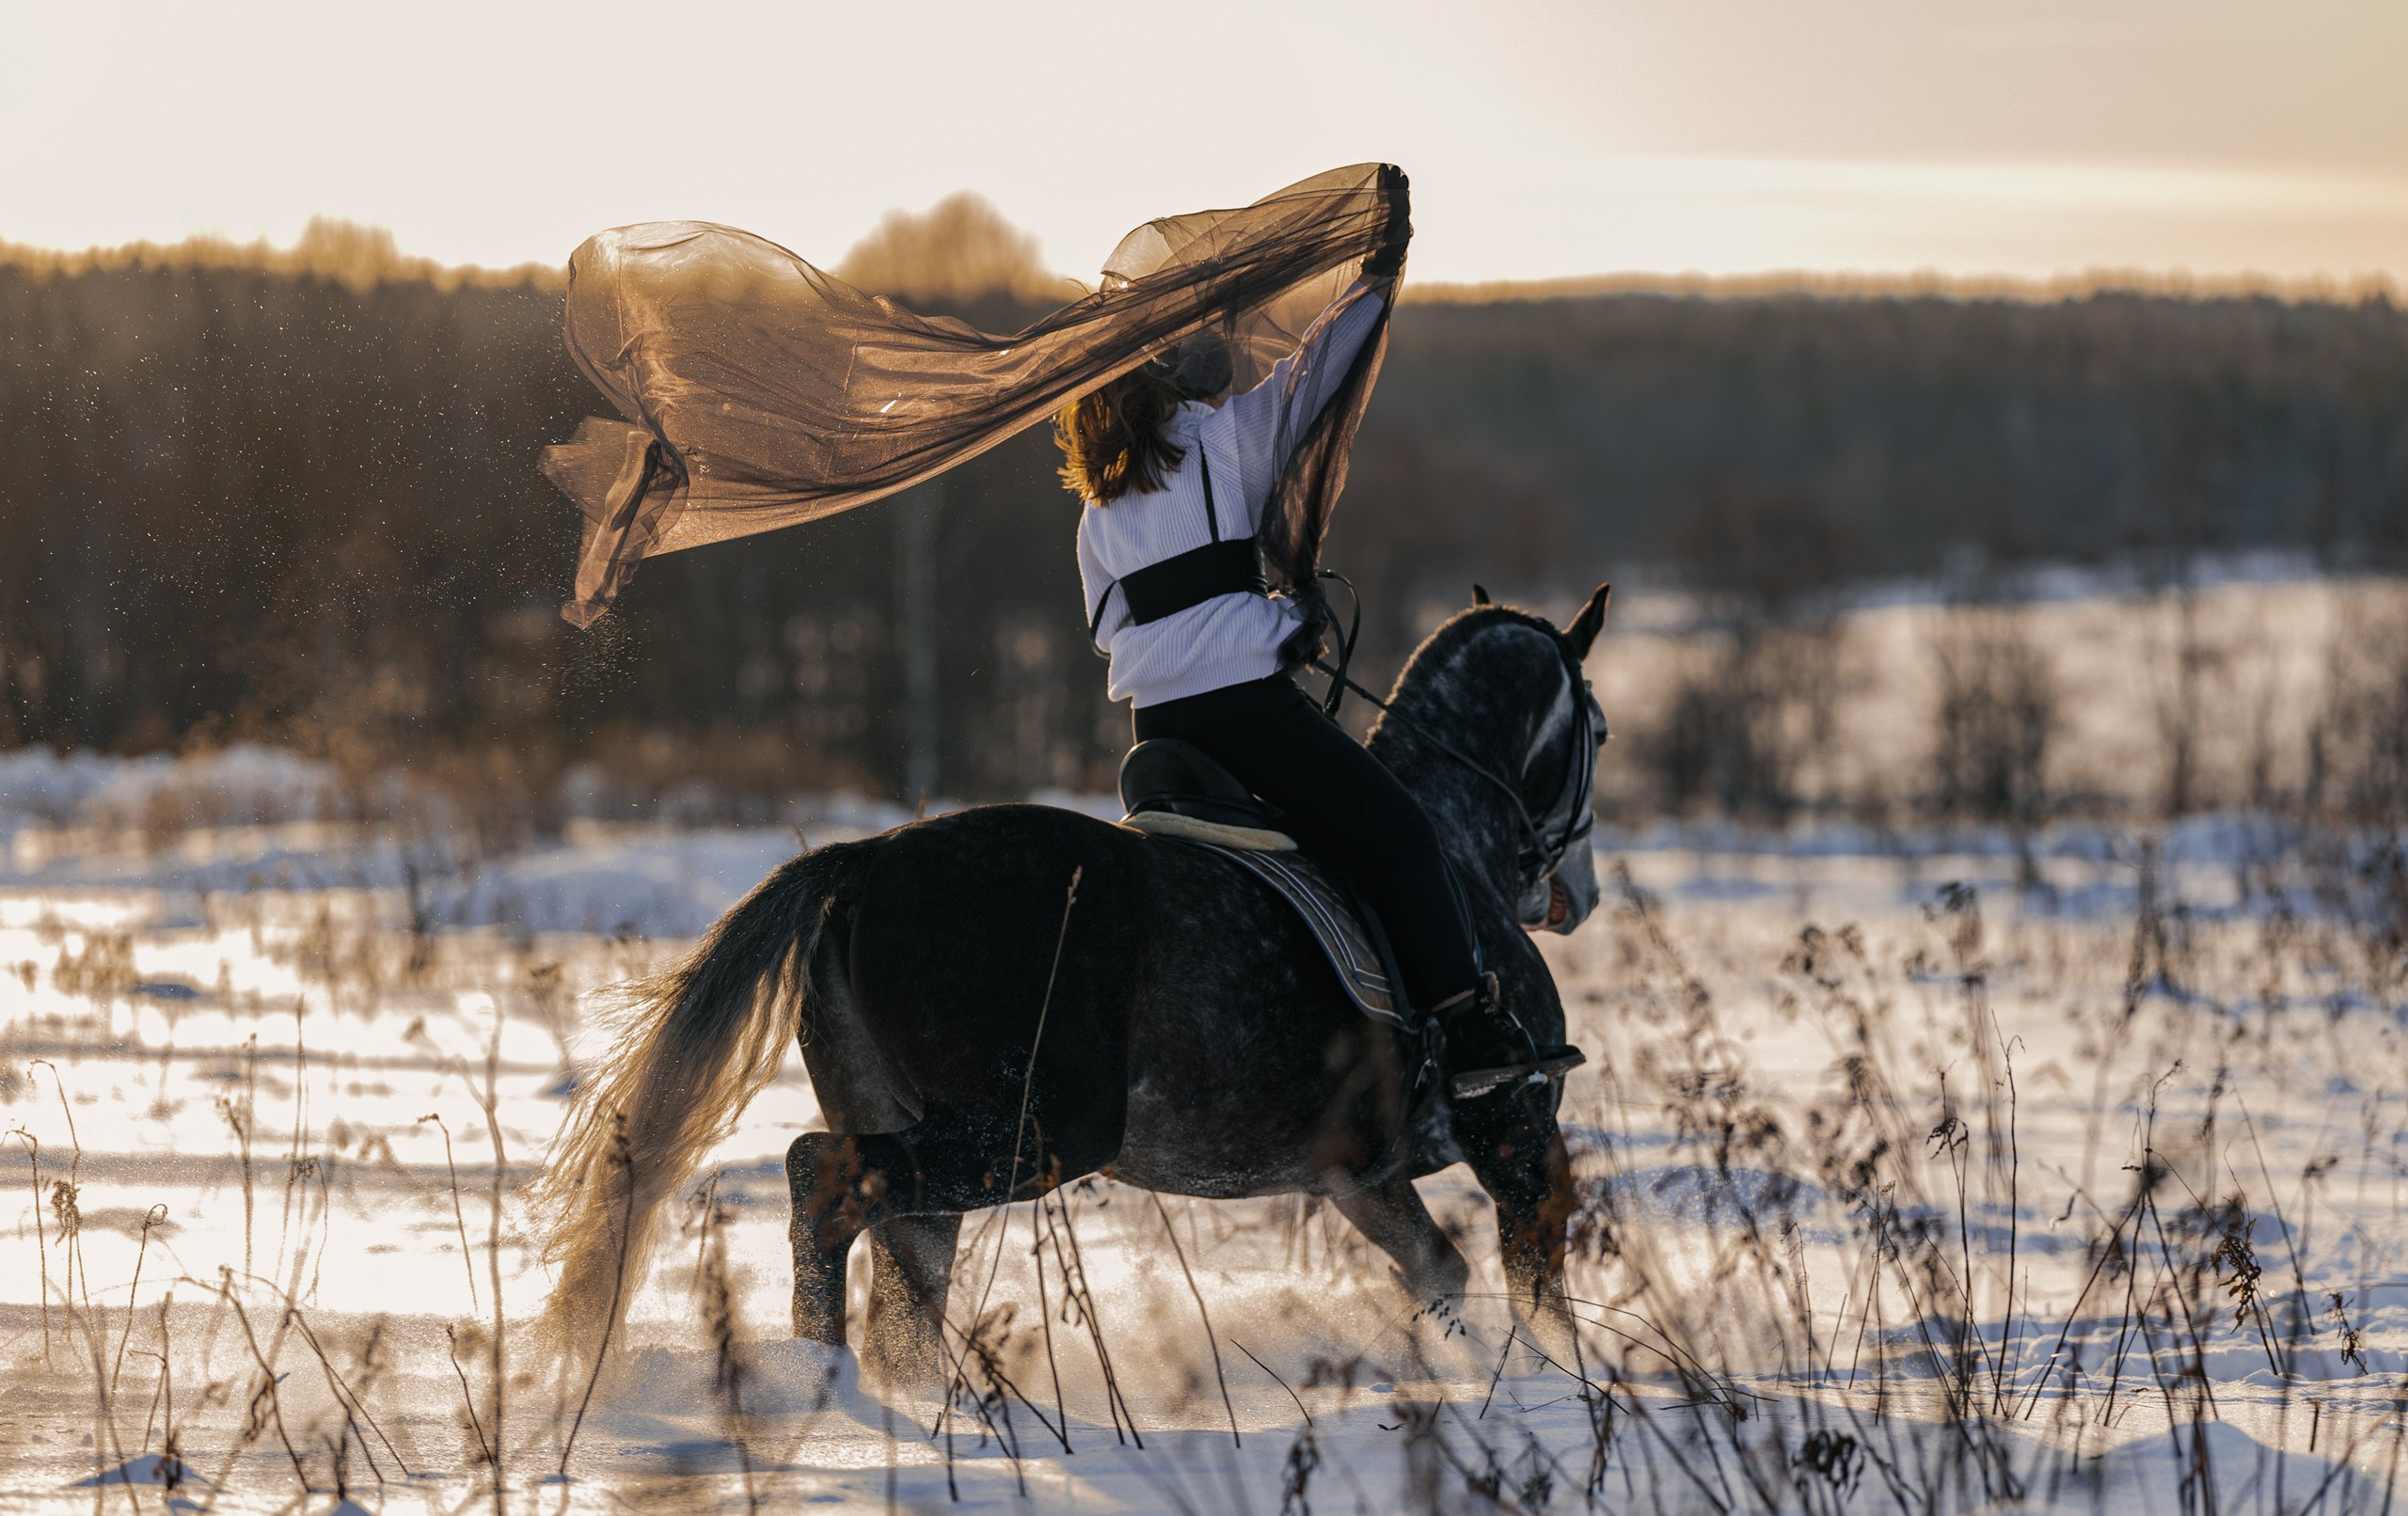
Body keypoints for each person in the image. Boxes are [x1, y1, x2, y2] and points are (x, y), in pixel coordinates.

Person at [1060, 181, 1566, 1098]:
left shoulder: (1100, 503)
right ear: (1177, 359)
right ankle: (1465, 1028)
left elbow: (1111, 629)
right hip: (1245, 716)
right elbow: (1320, 366)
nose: (1224, 343)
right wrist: (1379, 270)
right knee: (1403, 837)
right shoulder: (1229, 440)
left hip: (1157, 734)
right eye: (1207, 332)